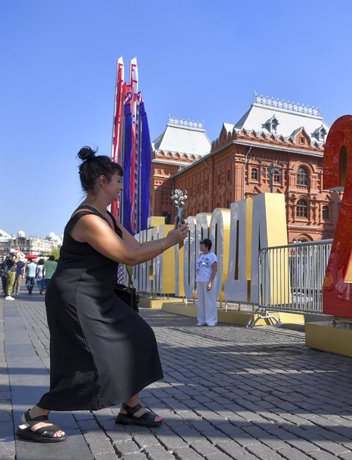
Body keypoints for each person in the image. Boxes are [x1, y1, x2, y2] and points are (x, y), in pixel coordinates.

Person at [15, 146, 188, 443]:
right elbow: (126, 256)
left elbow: (133, 246)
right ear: (102, 182)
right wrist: (169, 242)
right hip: (75, 297)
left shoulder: (106, 217)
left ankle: (130, 406)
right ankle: (35, 415)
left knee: (139, 335)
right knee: (88, 360)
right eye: (118, 182)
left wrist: (168, 238)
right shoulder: (87, 219)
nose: (121, 187)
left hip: (100, 295)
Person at [196, 238, 218, 327]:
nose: (200, 246)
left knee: (209, 302)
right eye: (200, 244)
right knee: (201, 302)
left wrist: (210, 282)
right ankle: (202, 320)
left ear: (207, 246)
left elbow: (215, 270)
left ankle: (211, 320)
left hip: (207, 281)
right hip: (200, 281)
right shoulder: (200, 255)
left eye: (202, 245)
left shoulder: (212, 256)